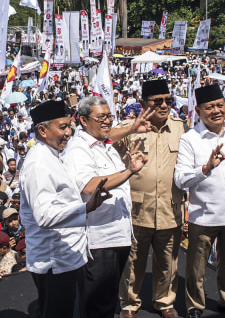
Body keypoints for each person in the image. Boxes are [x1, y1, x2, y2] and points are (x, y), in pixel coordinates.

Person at [19, 100, 112, 318]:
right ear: (42, 130)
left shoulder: (52, 154)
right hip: (54, 262)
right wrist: (85, 208)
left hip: (66, 259)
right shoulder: (38, 164)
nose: (69, 133)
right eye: (62, 127)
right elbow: (44, 216)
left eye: (69, 126)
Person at [174, 84, 225, 318]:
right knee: (196, 267)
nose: (216, 111)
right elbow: (180, 179)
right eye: (209, 107)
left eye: (220, 105)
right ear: (199, 110)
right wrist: (206, 168)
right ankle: (194, 306)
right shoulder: (190, 139)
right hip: (203, 215)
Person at [62, 96, 147, 318]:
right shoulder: (77, 150)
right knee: (97, 305)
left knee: (108, 301)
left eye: (109, 116)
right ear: (82, 120)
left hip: (118, 237)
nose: (108, 121)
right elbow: (90, 185)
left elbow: (109, 135)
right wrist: (129, 171)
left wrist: (131, 129)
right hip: (99, 242)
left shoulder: (103, 144)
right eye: (101, 117)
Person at [114, 80, 185, 318]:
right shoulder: (129, 128)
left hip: (170, 207)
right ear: (144, 103)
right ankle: (129, 304)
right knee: (133, 261)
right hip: (137, 209)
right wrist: (130, 129)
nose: (164, 105)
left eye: (168, 100)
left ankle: (165, 302)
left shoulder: (179, 128)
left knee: (167, 262)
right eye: (158, 101)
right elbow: (102, 140)